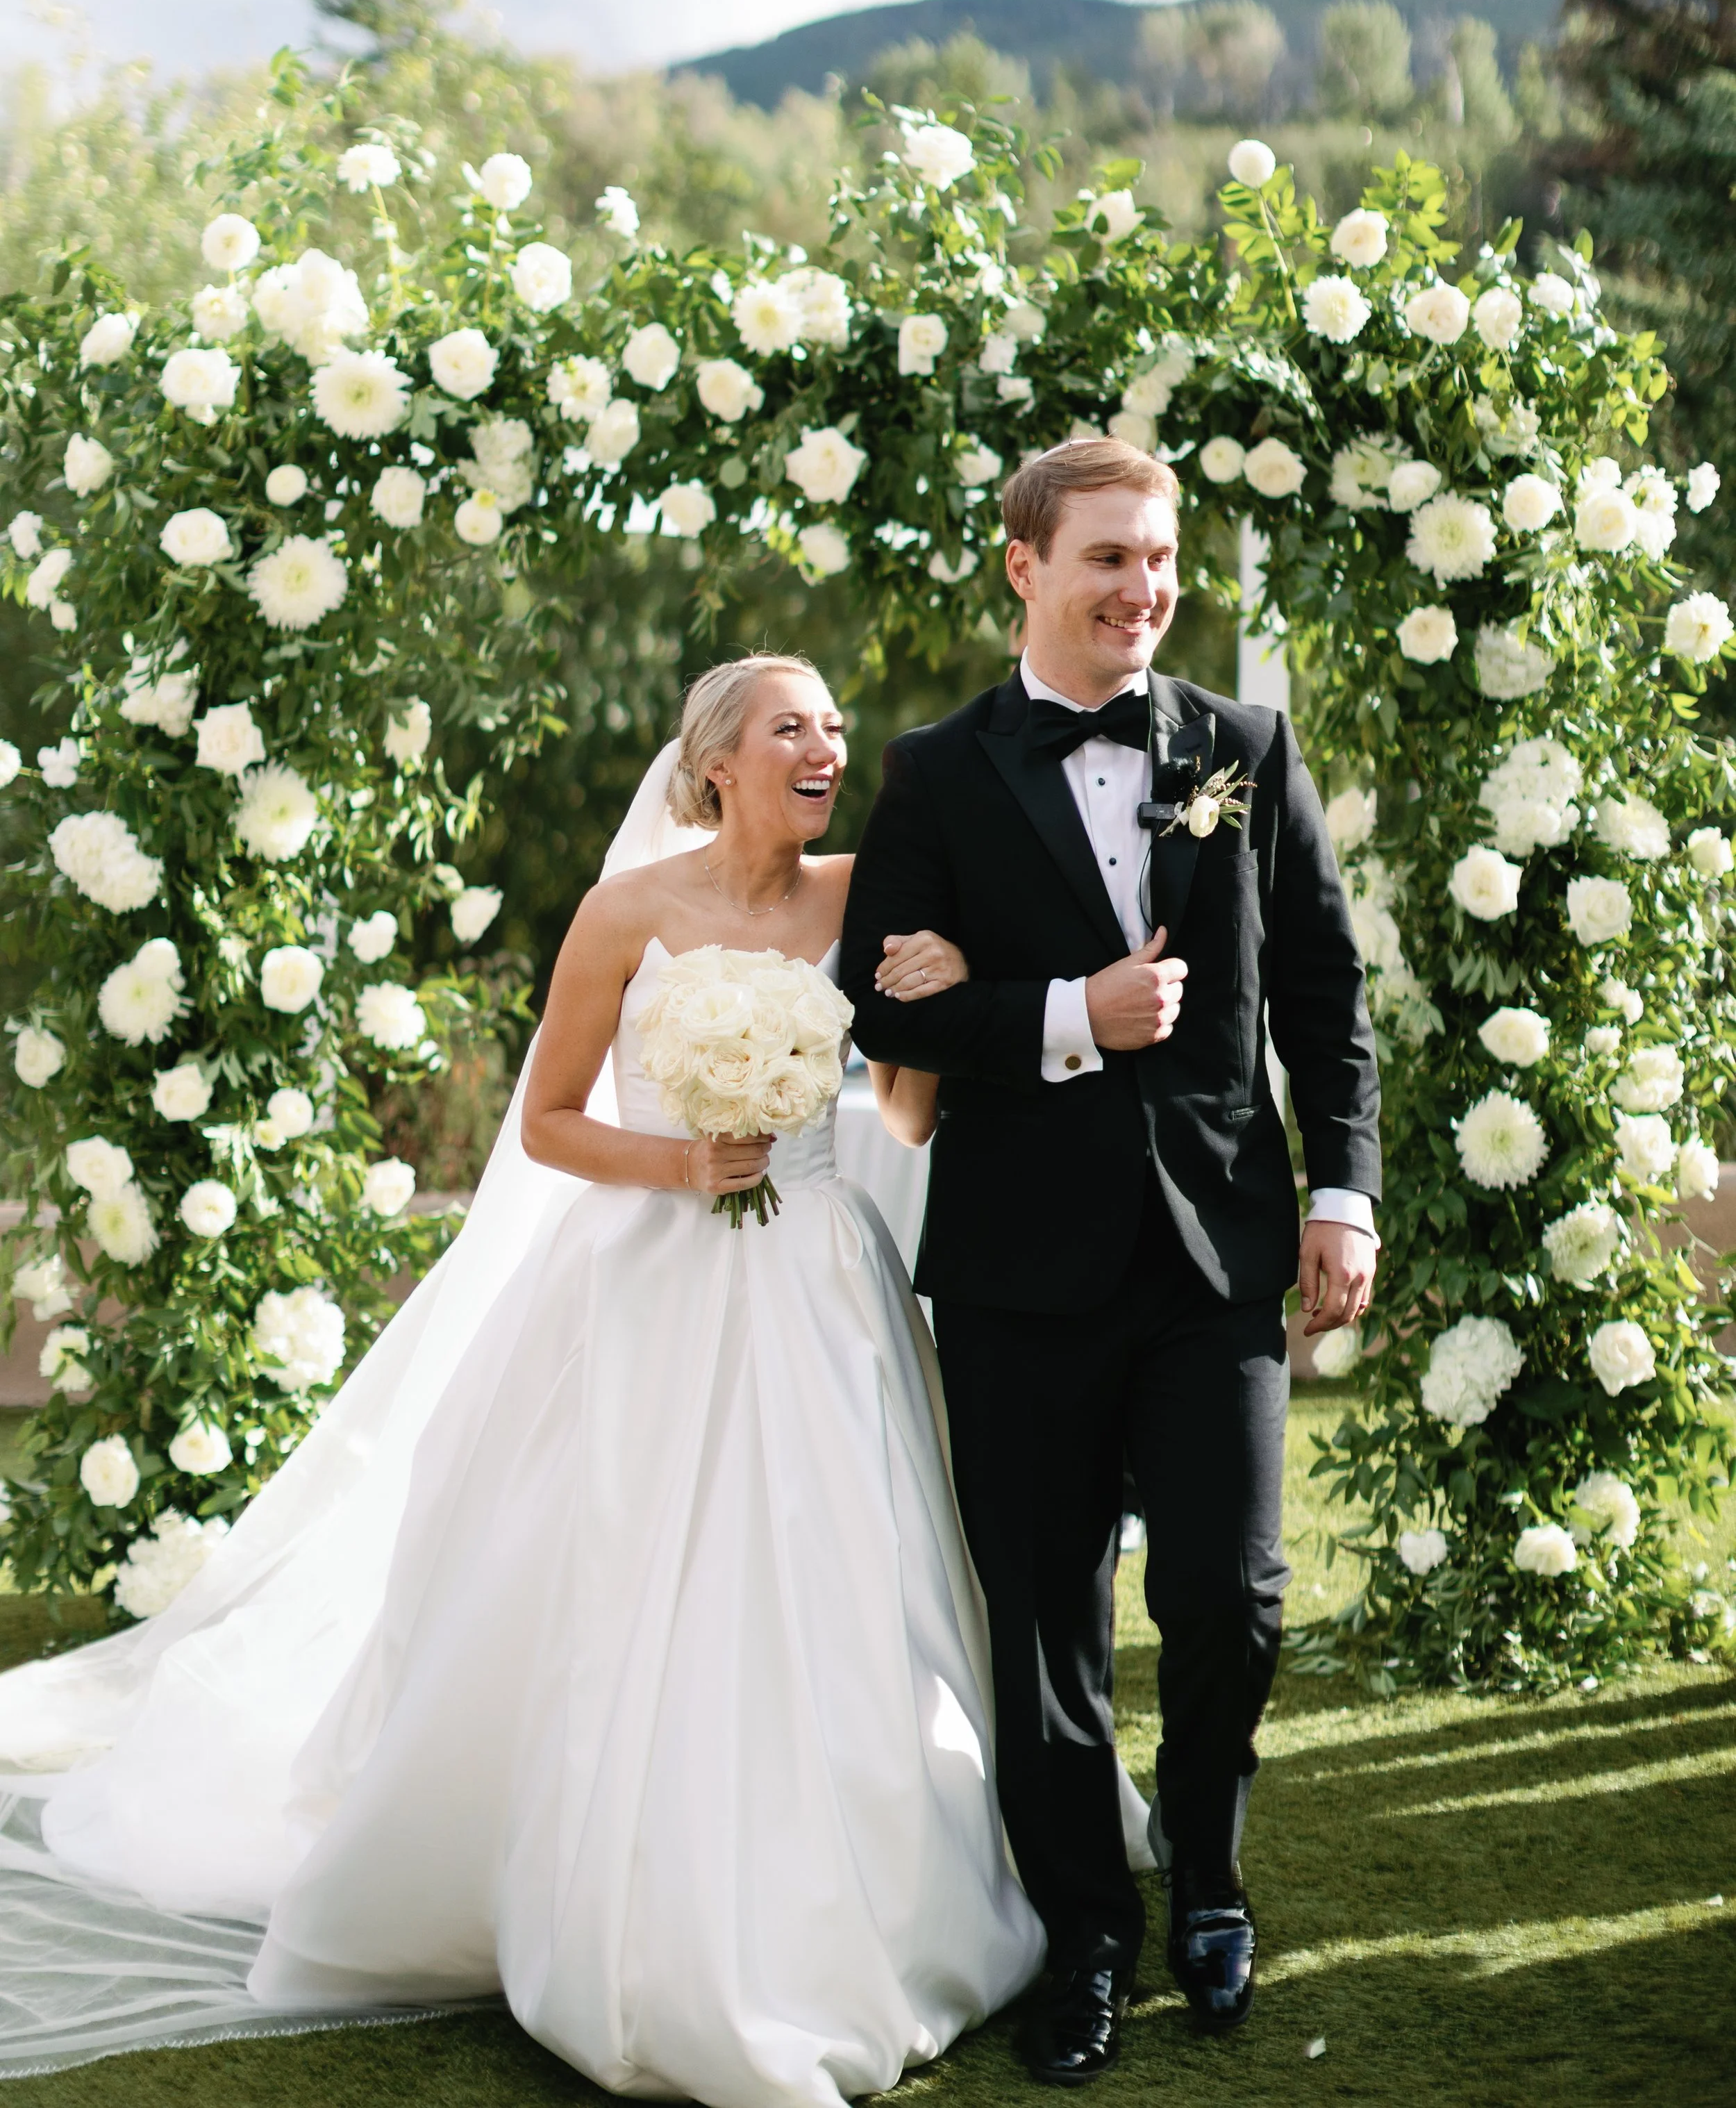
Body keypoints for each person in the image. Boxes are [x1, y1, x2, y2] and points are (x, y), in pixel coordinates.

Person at [0, 656, 1046, 2107]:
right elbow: (550, 1124)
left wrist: (932, 1013)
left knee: (830, 1569)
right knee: (618, 1574)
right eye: (790, 726)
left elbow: (898, 1112)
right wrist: (683, 1160)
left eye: (829, 727)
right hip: (647, 1282)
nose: (824, 746)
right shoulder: (626, 914)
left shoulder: (865, 893)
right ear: (716, 763)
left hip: (819, 1284)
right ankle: (601, 1885)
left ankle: (830, 1896)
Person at [842, 438, 1381, 2085]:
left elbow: (1321, 998)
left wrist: (1342, 1192)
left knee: (1230, 1596)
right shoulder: (937, 773)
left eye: (1156, 559)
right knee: (1043, 1626)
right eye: (1106, 560)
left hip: (1215, 1253)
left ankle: (1206, 1882)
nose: (1141, 589)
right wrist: (1070, 1014)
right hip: (1015, 1274)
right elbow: (879, 1004)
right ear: (1023, 566)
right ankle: (1082, 1933)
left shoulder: (1241, 746)